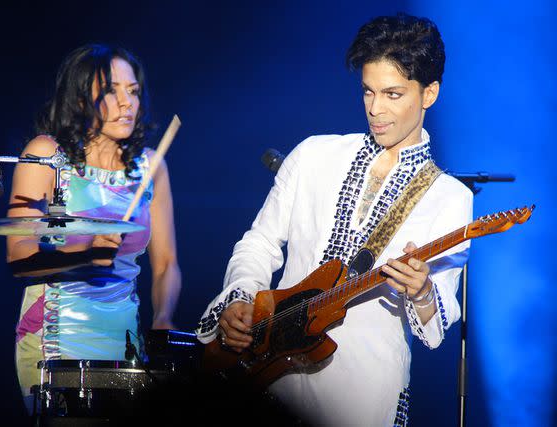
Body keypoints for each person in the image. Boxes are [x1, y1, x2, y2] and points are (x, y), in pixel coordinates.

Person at [196, 14, 472, 426]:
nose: (376, 109)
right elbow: (260, 243)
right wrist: (241, 299)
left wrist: (421, 291)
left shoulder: (450, 198)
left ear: (429, 92)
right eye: (368, 91)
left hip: (362, 390)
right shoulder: (313, 154)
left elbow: (435, 326)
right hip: (273, 375)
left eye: (393, 94)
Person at [7, 44, 181, 410]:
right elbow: (18, 255)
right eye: (111, 91)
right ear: (82, 99)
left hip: (125, 338)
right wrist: (85, 255)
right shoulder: (45, 154)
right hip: (56, 336)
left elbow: (165, 264)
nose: (126, 103)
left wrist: (164, 316)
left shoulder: (152, 166)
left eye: (132, 91)